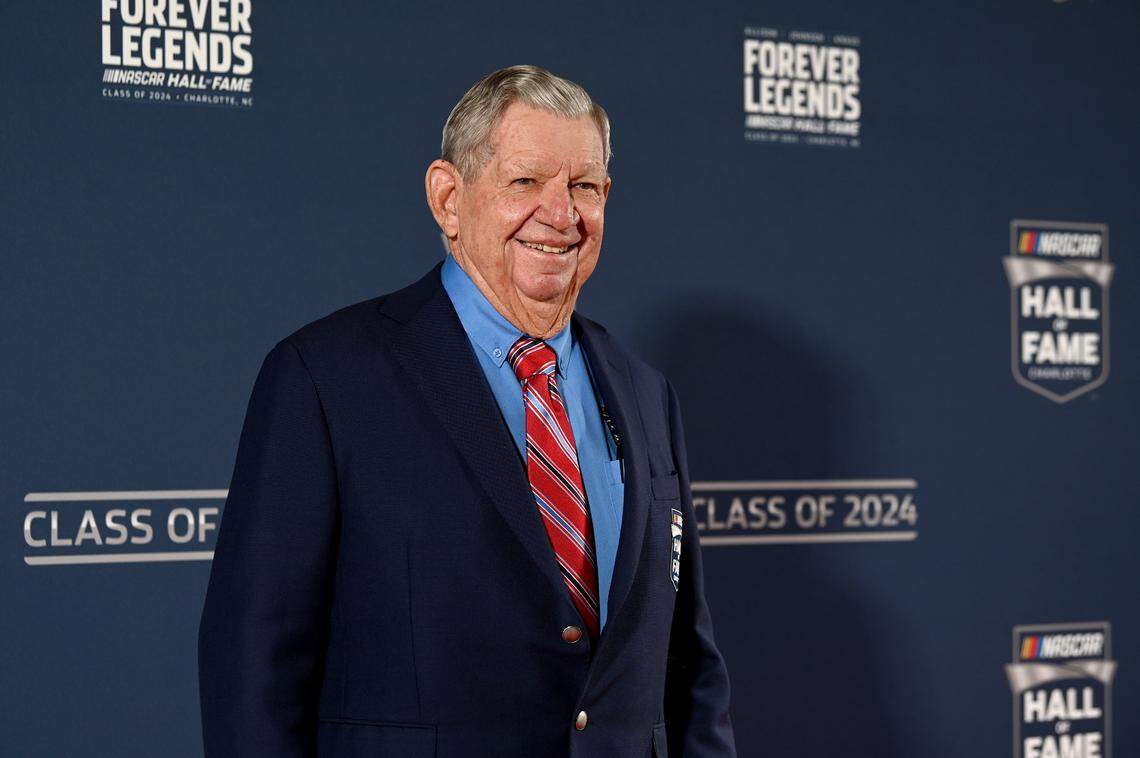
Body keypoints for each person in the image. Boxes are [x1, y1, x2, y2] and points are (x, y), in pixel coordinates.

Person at [198, 64, 736, 758]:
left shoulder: (644, 393)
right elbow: (253, 668)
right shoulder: (324, 378)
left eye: (585, 187)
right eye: (525, 182)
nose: (562, 213)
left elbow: (689, 667)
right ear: (449, 199)